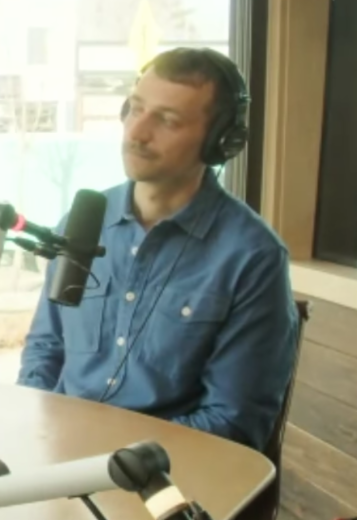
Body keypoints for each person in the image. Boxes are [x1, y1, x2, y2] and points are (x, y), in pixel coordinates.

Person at [16, 47, 298, 451]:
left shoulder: (252, 256)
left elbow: (233, 421)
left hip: (164, 475)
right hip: (58, 454)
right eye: (135, 109)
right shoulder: (83, 222)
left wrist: (110, 454)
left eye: (167, 120)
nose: (137, 132)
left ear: (219, 142)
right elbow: (46, 348)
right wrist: (34, 424)